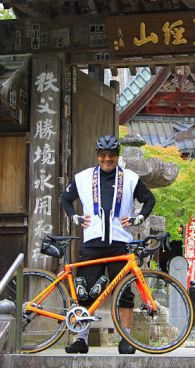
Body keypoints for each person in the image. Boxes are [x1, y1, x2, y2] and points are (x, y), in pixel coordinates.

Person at [59, 135, 156, 355]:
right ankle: (81, 340)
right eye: (103, 155)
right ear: (98, 155)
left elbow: (149, 199)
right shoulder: (83, 177)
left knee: (124, 293)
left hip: (120, 242)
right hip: (92, 241)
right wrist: (74, 217)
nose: (107, 159)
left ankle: (126, 339)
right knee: (85, 292)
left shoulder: (130, 178)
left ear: (117, 155)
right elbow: (65, 199)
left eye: (111, 155)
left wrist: (138, 219)